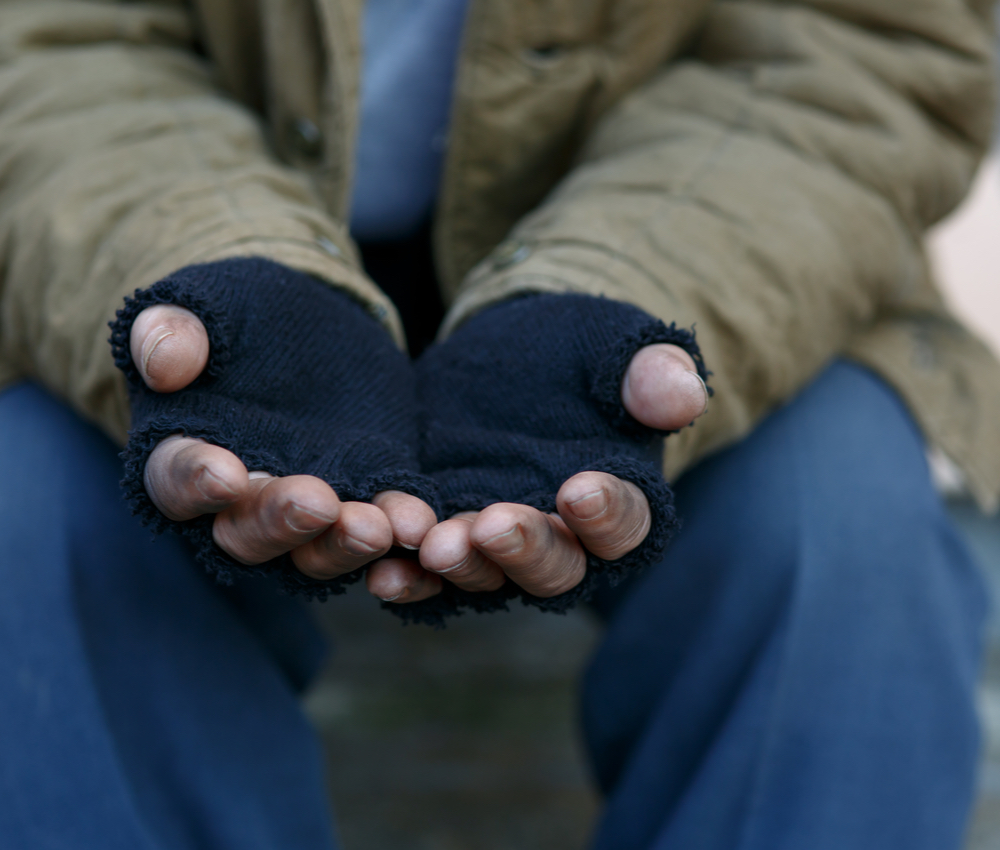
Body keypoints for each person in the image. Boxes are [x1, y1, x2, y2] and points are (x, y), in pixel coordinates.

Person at [0, 0, 997, 847]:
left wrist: (616, 291)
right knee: (29, 510)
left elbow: (862, 43)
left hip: (718, 242)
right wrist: (214, 262)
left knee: (839, 523)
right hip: (146, 224)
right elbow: (46, 37)